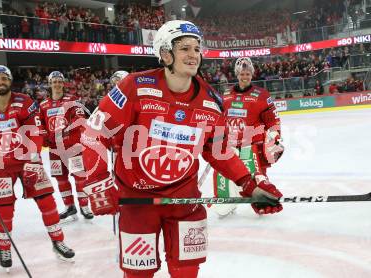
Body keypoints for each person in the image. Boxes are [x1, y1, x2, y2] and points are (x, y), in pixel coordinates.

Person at [80, 20, 283, 278]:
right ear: (165, 53)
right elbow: (93, 134)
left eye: (197, 49)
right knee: (137, 274)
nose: (193, 55)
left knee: (187, 271)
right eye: (185, 48)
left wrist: (249, 184)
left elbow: (219, 151)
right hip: (138, 202)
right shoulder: (134, 86)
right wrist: (98, 182)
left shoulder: (211, 101)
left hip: (185, 201)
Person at [0, 65, 75, 271]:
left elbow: (34, 132)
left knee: (47, 202)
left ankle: (57, 241)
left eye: (4, 78)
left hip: (28, 161)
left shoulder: (24, 102)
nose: (1, 82)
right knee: (3, 209)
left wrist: (33, 159)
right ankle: (4, 247)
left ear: (10, 81)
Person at [212, 57, 284, 217]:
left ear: (252, 74)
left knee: (255, 177)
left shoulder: (262, 95)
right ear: (237, 74)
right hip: (229, 145)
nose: (245, 76)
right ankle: (226, 204)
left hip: (252, 146)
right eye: (242, 73)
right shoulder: (226, 94)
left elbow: (273, 121)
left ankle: (262, 202)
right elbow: (219, 118)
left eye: (248, 73)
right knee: (223, 174)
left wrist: (275, 139)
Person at [39, 71, 93, 222]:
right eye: (54, 81)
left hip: (73, 145)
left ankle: (84, 206)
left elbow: (80, 116)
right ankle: (69, 206)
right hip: (55, 149)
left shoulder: (72, 99)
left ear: (63, 83)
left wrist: (67, 129)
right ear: (50, 84)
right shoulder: (43, 105)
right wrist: (44, 136)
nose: (56, 84)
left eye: (59, 81)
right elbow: (41, 124)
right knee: (60, 178)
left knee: (79, 176)